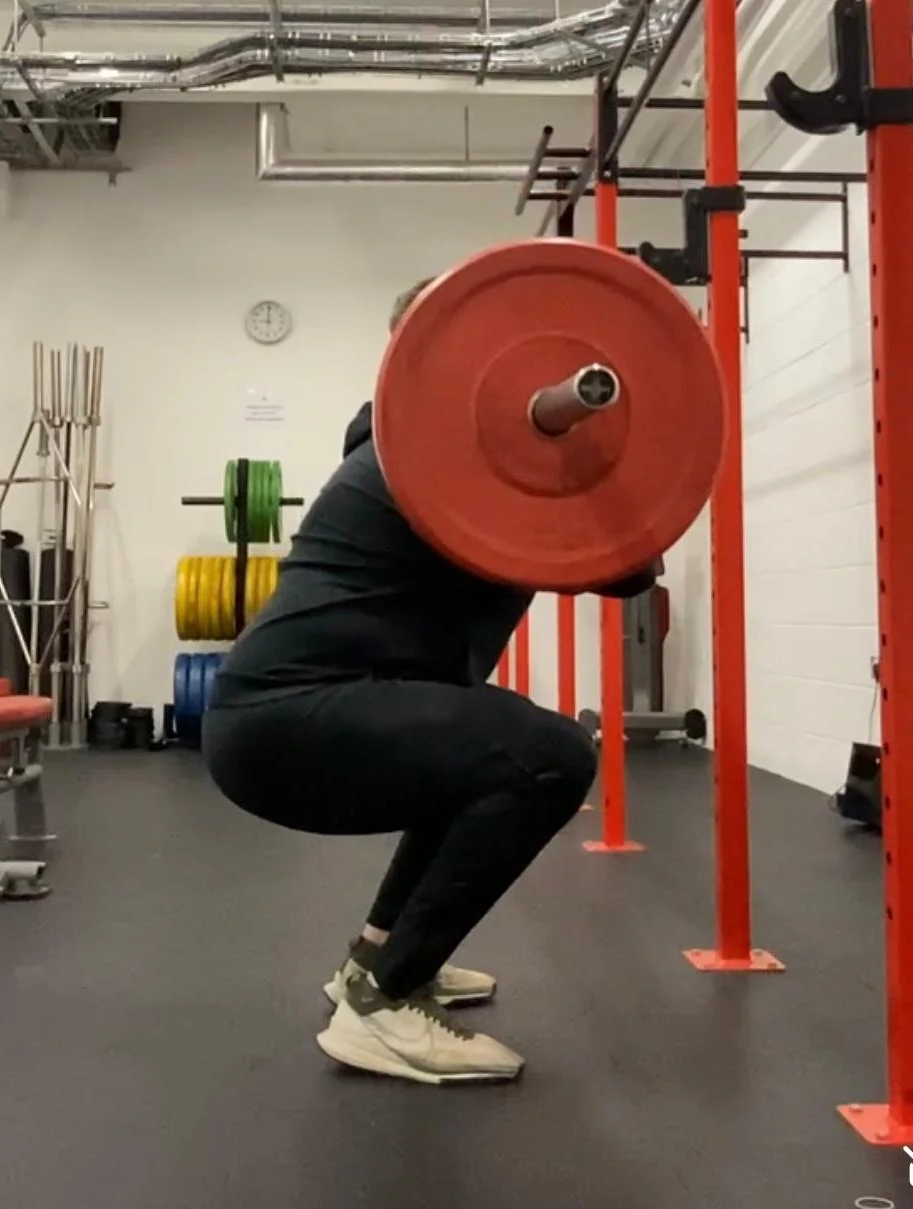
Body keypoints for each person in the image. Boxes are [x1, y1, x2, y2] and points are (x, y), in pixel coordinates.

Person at [202, 278, 660, 1086]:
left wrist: (589, 444)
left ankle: (379, 959)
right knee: (549, 755)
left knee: (475, 754)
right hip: (286, 721)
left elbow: (629, 573)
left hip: (309, 711)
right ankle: (381, 1006)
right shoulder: (422, 460)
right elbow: (624, 562)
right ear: (414, 361)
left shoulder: (476, 457)